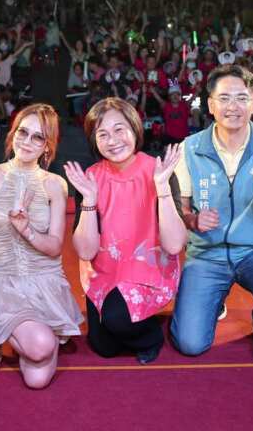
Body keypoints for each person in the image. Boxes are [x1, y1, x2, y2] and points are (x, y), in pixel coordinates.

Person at [170, 65, 253, 362]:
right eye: (224, 98)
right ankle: (213, 299)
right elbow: (181, 207)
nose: (233, 106)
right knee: (189, 344)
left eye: (242, 98)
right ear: (210, 104)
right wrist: (192, 219)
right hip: (207, 253)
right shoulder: (189, 148)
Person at [0, 104, 83, 388]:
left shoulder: (55, 184)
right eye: (22, 132)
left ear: (47, 146)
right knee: (40, 347)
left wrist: (26, 229)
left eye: (37, 137)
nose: (27, 142)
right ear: (12, 134)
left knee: (37, 379)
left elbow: (54, 247)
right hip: (0, 278)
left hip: (43, 280)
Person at [63, 97, 186, 364]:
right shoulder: (90, 177)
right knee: (103, 346)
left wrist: (162, 187)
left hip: (146, 267)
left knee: (117, 320)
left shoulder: (159, 171)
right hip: (106, 269)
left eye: (119, 129)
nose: (113, 140)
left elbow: (175, 245)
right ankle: (131, 319)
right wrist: (89, 199)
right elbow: (86, 251)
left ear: (135, 128)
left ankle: (150, 336)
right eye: (102, 134)